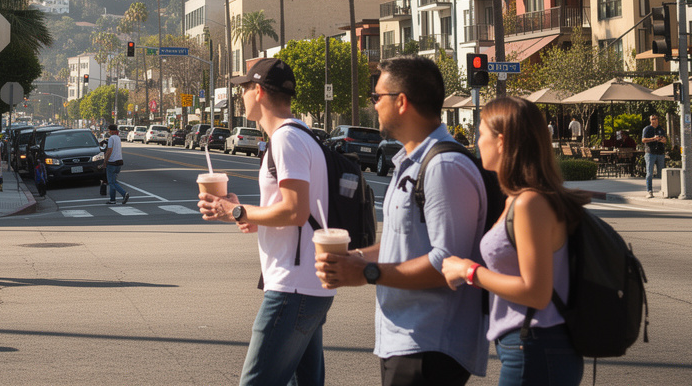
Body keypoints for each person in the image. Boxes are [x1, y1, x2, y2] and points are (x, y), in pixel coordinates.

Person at [315, 56, 488, 386]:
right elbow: (403, 241)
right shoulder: (411, 162)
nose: (374, 104)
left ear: (402, 101)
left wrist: (367, 273)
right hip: (403, 340)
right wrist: (357, 258)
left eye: (377, 96)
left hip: (429, 345)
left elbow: (448, 263)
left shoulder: (444, 167)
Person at [198, 57, 334, 386]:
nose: (240, 96)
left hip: (292, 287)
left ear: (258, 91)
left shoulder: (286, 140)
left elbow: (295, 211)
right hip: (306, 285)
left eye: (243, 89)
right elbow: (293, 214)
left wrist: (237, 212)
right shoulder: (302, 135)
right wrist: (242, 211)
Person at [440, 97, 588, 386]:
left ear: (501, 141)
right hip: (531, 345)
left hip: (536, 346)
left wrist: (468, 271)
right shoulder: (520, 199)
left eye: (481, 133)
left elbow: (535, 292)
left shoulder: (529, 203)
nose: (476, 141)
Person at [641, 114, 667, 198]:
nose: (653, 120)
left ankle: (663, 190)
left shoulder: (661, 129)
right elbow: (643, 140)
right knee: (649, 173)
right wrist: (653, 139)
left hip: (660, 153)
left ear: (657, 120)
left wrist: (662, 140)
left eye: (655, 119)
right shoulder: (647, 129)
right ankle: (649, 191)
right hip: (650, 153)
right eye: (652, 119)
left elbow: (665, 140)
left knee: (662, 173)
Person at [104, 124, 129, 205]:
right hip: (119, 162)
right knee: (113, 181)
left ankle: (124, 193)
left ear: (112, 131)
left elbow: (109, 150)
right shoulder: (118, 138)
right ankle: (112, 199)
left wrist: (105, 161)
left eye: (109, 130)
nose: (108, 132)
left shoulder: (111, 138)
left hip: (112, 163)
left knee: (111, 182)